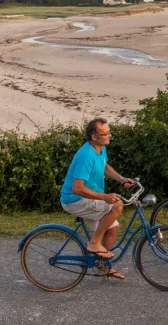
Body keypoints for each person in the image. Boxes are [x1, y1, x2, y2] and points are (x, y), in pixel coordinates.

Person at [60, 118, 135, 279]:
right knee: (117, 205)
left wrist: (121, 179)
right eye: (106, 133)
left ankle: (103, 267)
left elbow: (104, 166)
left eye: (109, 132)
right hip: (74, 200)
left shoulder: (100, 148)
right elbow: (77, 188)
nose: (110, 135)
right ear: (95, 136)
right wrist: (105, 197)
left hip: (88, 198)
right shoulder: (86, 156)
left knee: (112, 228)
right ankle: (94, 243)